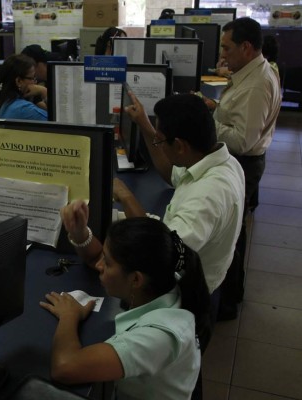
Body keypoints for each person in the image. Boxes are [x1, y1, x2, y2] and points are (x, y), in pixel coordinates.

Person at [64, 93, 244, 335]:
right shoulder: (220, 161)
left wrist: (125, 199)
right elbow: (171, 172)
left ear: (180, 145)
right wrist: (146, 126)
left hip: (184, 303)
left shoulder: (206, 196)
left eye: (161, 141)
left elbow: (160, 255)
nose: (157, 144)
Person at [40, 217, 210, 399]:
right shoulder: (164, 281)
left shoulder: (158, 337)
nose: (99, 265)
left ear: (136, 279)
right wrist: (80, 234)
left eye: (107, 262)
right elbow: (100, 259)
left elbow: (65, 367)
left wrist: (69, 316)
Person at [214, 17, 281, 320]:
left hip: (244, 162)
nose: (223, 54)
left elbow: (242, 140)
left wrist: (210, 123)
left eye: (227, 48)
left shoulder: (256, 84)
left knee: (231, 233)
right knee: (234, 230)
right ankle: (232, 293)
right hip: (246, 160)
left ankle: (228, 301)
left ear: (247, 47)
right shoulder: (249, 72)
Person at [0, 54, 48, 120]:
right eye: (32, 78)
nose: (35, 82)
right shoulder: (23, 109)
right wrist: (44, 92)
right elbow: (58, 122)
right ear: (18, 81)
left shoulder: (3, 100)